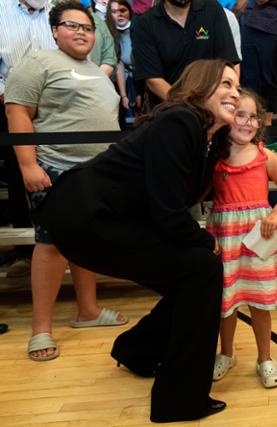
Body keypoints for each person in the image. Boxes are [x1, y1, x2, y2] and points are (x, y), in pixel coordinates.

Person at [29, 59, 240, 423]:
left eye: (237, 87)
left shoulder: (205, 138)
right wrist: (207, 242)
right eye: (225, 84)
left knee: (191, 274)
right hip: (86, 216)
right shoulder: (179, 121)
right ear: (201, 85)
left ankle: (137, 350)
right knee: (202, 268)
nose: (235, 94)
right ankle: (179, 402)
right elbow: (169, 212)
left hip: (103, 218)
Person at [5, 1, 127, 362]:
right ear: (54, 30)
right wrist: (28, 165)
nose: (81, 33)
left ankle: (87, 311)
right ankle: (40, 329)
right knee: (52, 245)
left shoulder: (93, 69)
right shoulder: (38, 63)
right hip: (57, 169)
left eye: (87, 28)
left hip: (96, 172)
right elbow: (18, 110)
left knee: (84, 240)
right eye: (72, 26)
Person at [206, 90, 277, 388]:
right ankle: (227, 353)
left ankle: (265, 358)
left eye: (253, 116)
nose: (246, 122)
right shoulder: (214, 157)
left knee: (260, 302)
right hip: (225, 239)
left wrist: (275, 215)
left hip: (258, 241)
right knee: (226, 302)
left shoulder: (265, 157)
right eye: (240, 115)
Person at [0, 0, 57, 278]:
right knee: (19, 171)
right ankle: (26, 252)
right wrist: (11, 96)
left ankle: (64, 244)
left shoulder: (57, 10)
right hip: (9, 105)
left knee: (59, 171)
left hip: (57, 107)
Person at [133, 0, 240, 108]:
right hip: (169, 109)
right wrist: (187, 108)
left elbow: (230, 63)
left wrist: (225, 99)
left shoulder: (212, 9)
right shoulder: (146, 23)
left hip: (213, 104)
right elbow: (153, 80)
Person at [106, 0, 138, 127]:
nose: (119, 15)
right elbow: (119, 65)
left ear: (129, 11)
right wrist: (124, 95)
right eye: (114, 12)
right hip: (125, 80)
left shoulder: (140, 29)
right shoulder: (110, 35)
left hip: (143, 78)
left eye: (122, 10)